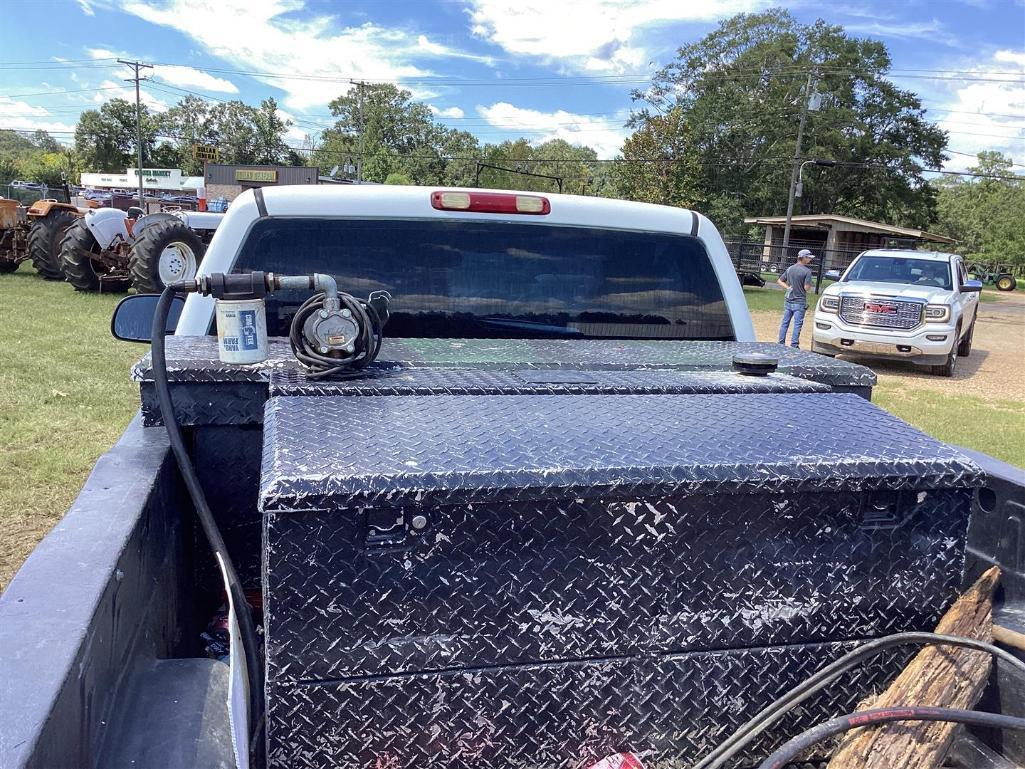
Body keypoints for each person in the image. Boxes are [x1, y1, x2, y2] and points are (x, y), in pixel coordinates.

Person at [777, 249, 815, 348]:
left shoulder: (790, 269)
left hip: (788, 300)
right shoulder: (807, 271)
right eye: (809, 258)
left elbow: (780, 280)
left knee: (785, 323)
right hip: (799, 301)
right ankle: (794, 345)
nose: (810, 260)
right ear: (804, 258)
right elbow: (806, 288)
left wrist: (788, 287)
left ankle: (781, 343)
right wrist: (809, 286)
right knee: (797, 324)